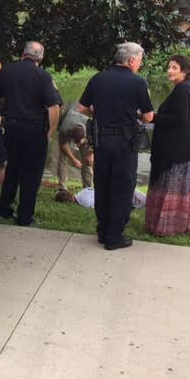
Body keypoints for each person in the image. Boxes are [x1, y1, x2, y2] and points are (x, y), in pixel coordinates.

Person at [77, 42, 154, 250]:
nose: (139, 64)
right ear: (131, 60)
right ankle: (114, 236)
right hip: (125, 143)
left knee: (102, 184)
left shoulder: (98, 78)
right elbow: (148, 116)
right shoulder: (138, 82)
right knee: (122, 187)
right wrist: (133, 114)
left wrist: (100, 113)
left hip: (102, 141)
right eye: (139, 60)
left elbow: (82, 107)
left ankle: (102, 231)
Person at [0, 41, 62, 226]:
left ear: (23, 53)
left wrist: (5, 106)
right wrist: (50, 131)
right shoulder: (42, 75)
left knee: (13, 168)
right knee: (32, 174)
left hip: (11, 127)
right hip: (34, 129)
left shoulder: (8, 71)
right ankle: (25, 216)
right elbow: (54, 106)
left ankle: (4, 208)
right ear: (40, 57)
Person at [145, 55, 190, 236]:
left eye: (174, 67)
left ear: (184, 71)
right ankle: (180, 225)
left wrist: (153, 117)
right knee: (181, 189)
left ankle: (168, 227)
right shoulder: (187, 88)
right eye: (169, 67)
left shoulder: (182, 90)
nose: (169, 70)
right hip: (186, 147)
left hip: (178, 151)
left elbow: (180, 119)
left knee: (171, 187)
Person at [57, 108, 93, 190]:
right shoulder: (64, 129)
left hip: (85, 131)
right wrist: (73, 159)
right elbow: (64, 145)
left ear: (85, 137)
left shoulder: (91, 127)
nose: (76, 146)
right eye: (75, 143)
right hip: (67, 122)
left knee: (88, 162)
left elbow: (97, 142)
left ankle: (88, 189)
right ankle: (62, 188)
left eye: (78, 143)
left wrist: (90, 154)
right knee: (62, 157)